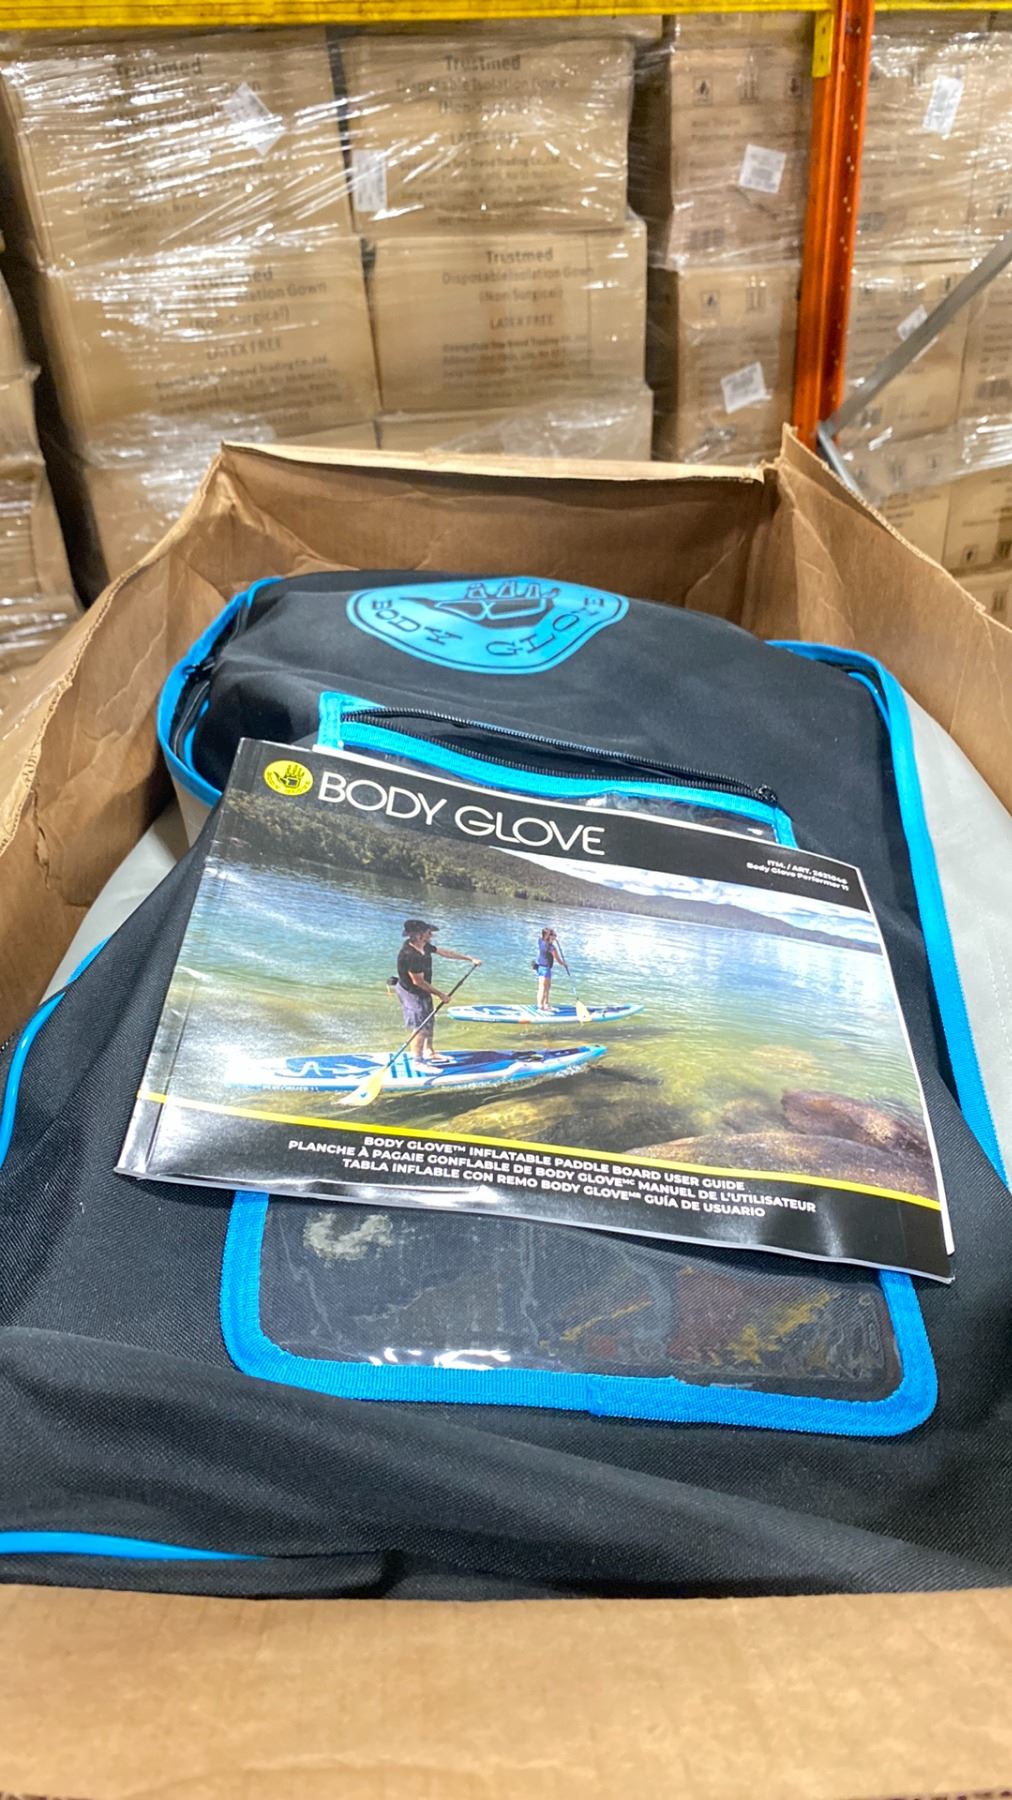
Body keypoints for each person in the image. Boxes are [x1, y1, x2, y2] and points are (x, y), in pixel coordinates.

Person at [394, 919, 480, 1066]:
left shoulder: (424, 946)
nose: (431, 935)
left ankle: (429, 1051)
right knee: (420, 1026)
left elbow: (444, 952)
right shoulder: (410, 955)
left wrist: (469, 958)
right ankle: (417, 1061)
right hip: (411, 992)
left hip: (422, 990)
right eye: (429, 932)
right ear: (419, 935)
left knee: (429, 1021)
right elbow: (418, 982)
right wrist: (441, 995)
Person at [535, 926, 569, 1012]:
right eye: (553, 935)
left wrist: (552, 938)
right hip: (546, 969)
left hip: (539, 967)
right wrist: (564, 964)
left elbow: (542, 936)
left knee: (543, 987)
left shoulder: (540, 941)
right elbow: (558, 960)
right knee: (545, 988)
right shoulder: (551, 948)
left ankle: (544, 1004)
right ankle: (541, 1006)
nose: (554, 937)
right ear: (549, 936)